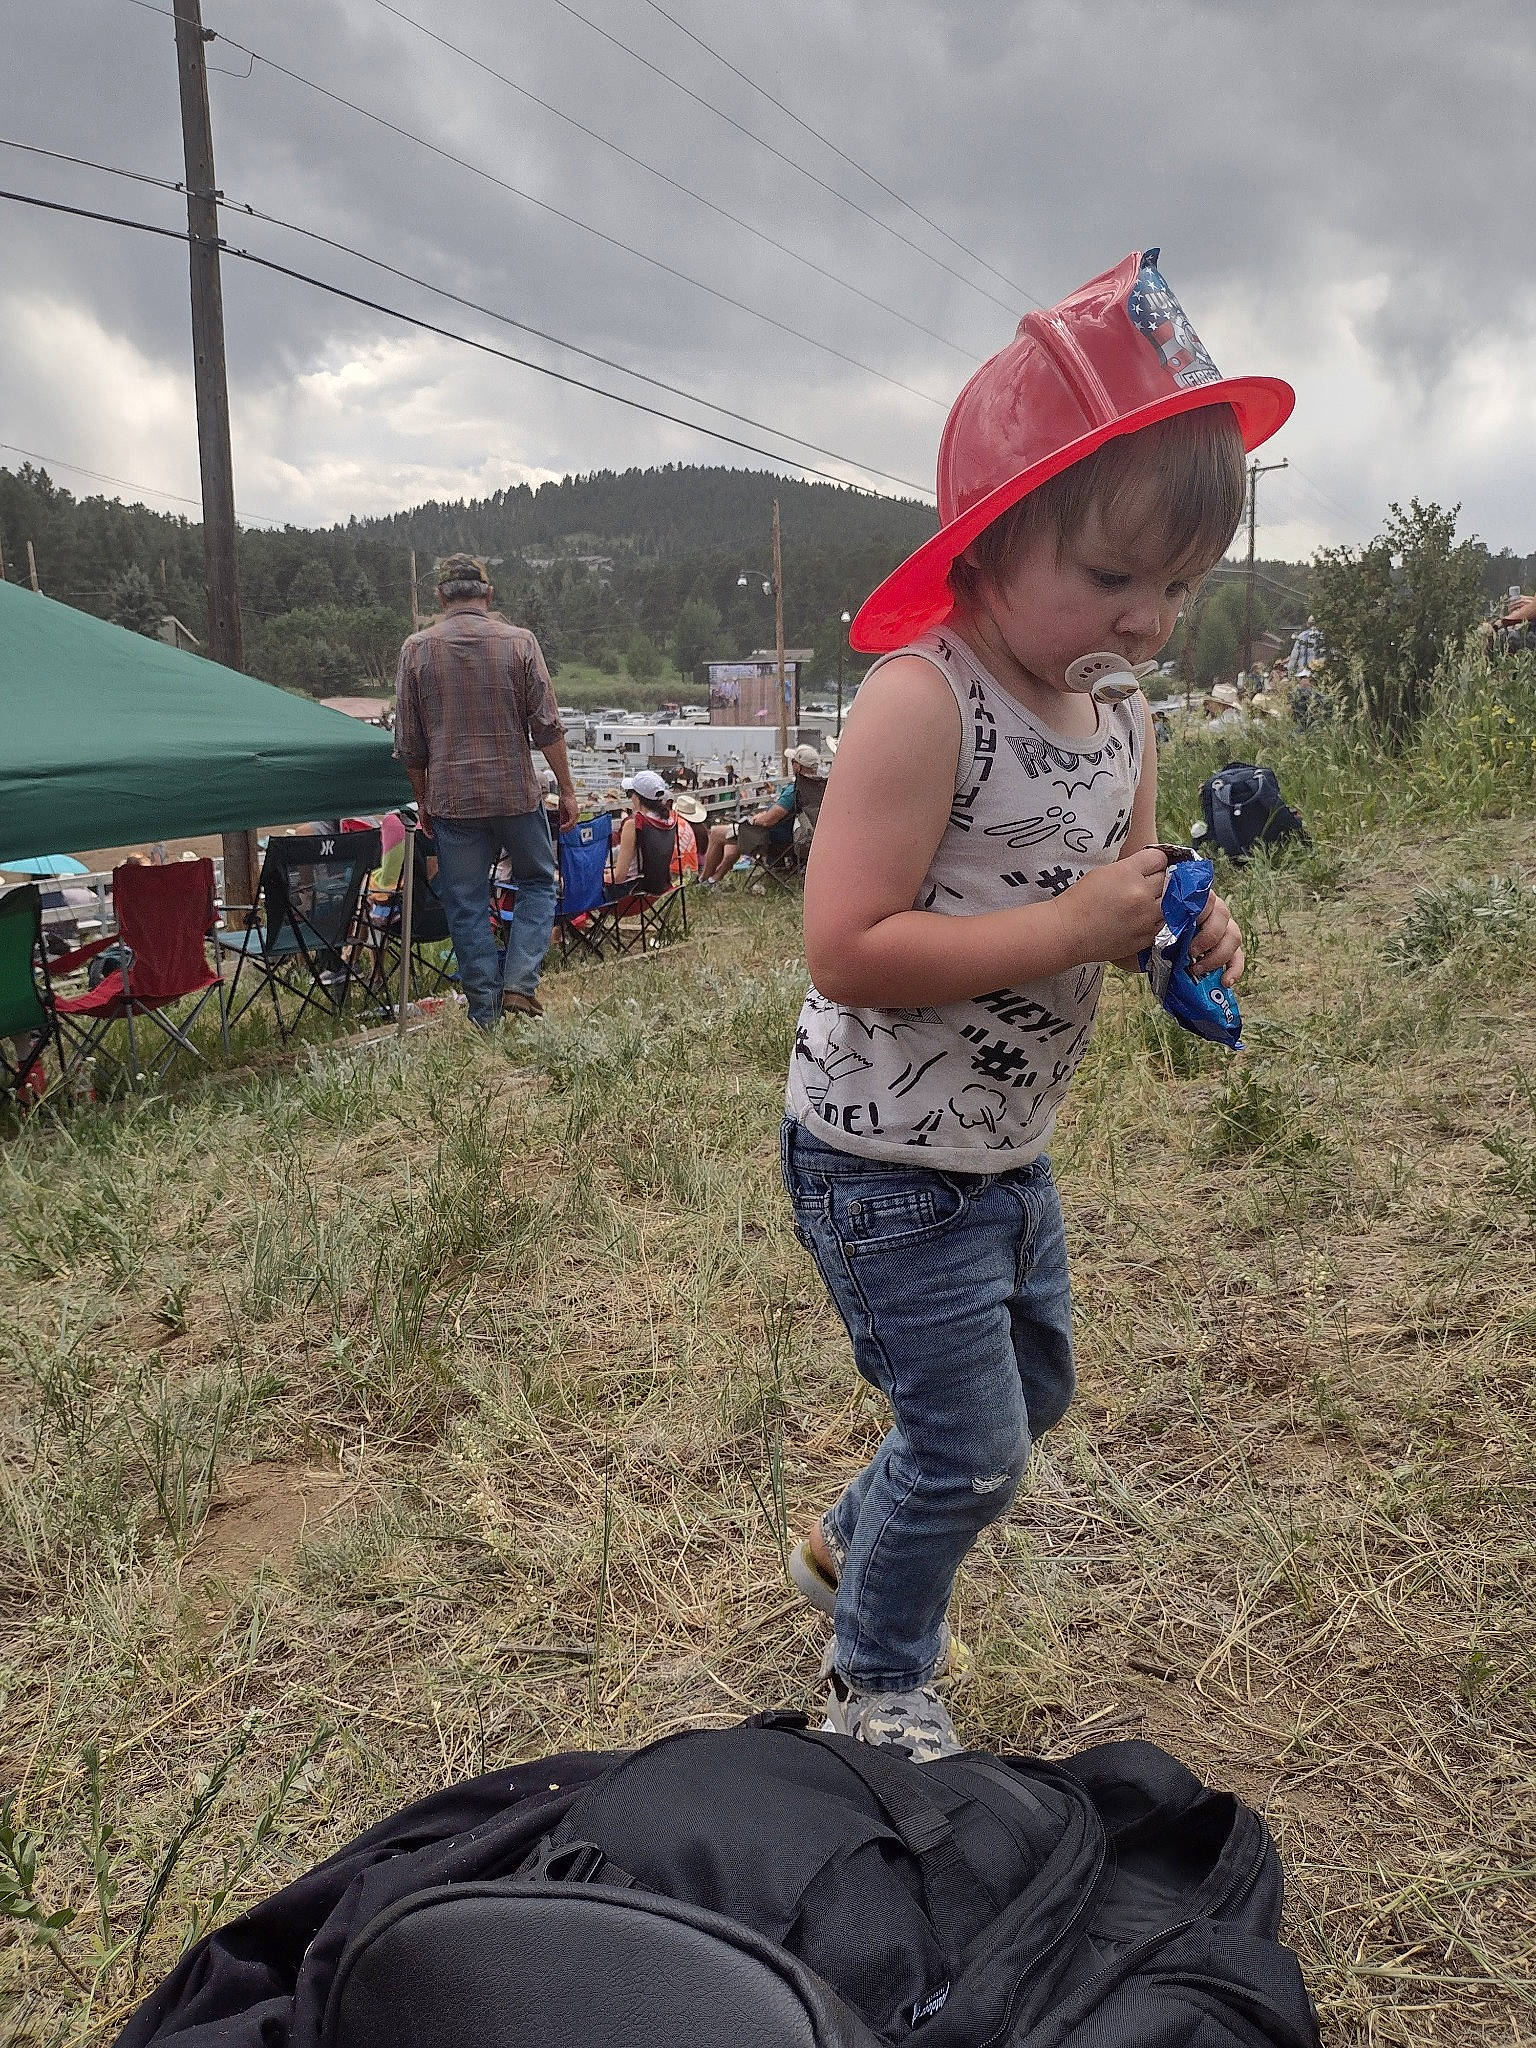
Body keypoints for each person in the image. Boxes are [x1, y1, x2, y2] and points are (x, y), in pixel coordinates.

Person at [780, 248, 1289, 1760]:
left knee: (1033, 1391)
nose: (1147, 624)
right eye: (1116, 576)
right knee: (973, 1445)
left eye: (1181, 588)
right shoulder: (922, 701)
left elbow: (1122, 894)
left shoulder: (1116, 716)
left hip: (1005, 1149)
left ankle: (845, 1540)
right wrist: (1065, 921)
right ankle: (876, 1681)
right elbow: (847, 944)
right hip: (883, 1158)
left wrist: (1173, 936)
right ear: (989, 544)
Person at [393, 553, 578, 1025]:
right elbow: (548, 727)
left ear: (440, 597)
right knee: (537, 881)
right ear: (488, 595)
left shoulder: (416, 649)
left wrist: (425, 797)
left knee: (466, 901)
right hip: (516, 793)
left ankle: (484, 1011)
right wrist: (568, 789)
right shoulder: (519, 642)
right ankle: (519, 983)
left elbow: (410, 743)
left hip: (453, 799)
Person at [699, 744, 824, 883]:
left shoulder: (794, 791)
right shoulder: (817, 789)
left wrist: (756, 819)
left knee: (716, 833)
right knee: (732, 840)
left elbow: (768, 821)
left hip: (771, 839)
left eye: (793, 762)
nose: (792, 764)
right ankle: (713, 879)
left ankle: (703, 880)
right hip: (795, 839)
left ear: (798, 767)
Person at [611, 769, 698, 899]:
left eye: (630, 794)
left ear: (636, 797)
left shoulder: (634, 824)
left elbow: (618, 877)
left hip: (632, 892)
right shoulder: (671, 820)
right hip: (660, 889)